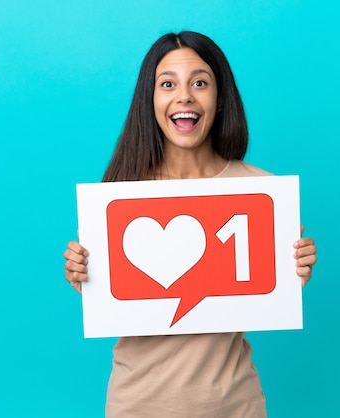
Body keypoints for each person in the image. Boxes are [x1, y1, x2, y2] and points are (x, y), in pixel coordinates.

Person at [63, 31, 317, 417]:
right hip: (137, 404)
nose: (184, 96)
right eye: (168, 84)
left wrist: (293, 269)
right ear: (150, 100)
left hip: (234, 404)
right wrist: (84, 274)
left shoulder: (261, 192)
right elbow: (111, 301)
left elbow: (270, 293)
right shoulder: (118, 198)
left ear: (220, 98)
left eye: (200, 82)